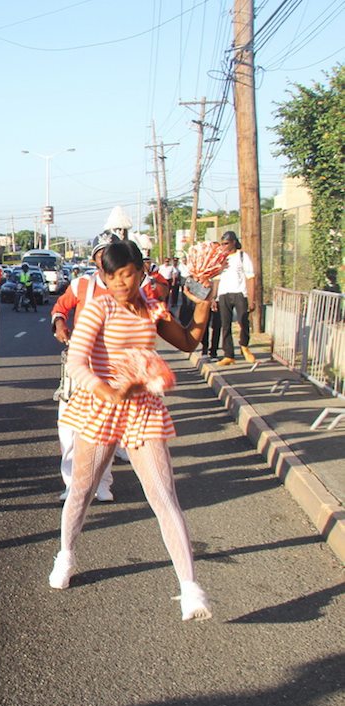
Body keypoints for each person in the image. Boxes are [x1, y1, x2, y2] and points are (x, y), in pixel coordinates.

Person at [50, 239, 215, 622]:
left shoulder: (153, 307)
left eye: (128, 274)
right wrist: (109, 391)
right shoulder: (98, 307)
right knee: (82, 489)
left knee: (163, 495)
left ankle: (190, 588)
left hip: (143, 408)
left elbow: (189, 342)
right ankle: (67, 554)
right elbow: (77, 362)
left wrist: (203, 300)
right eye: (114, 276)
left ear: (140, 271)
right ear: (104, 277)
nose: (122, 282)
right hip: (100, 404)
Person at [51, 235, 117, 503]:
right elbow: (59, 308)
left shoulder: (126, 286)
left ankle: (102, 482)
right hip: (79, 364)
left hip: (111, 367)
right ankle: (72, 483)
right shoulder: (81, 284)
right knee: (68, 425)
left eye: (109, 252)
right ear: (94, 258)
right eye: (101, 253)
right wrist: (59, 324)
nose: (104, 258)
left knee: (104, 427)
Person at [214, 232, 257, 366]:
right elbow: (216, 279)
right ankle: (228, 355)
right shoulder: (220, 259)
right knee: (225, 325)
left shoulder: (242, 256)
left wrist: (252, 298)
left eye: (226, 243)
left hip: (239, 292)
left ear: (233, 242)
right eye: (222, 244)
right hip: (223, 293)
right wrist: (213, 298)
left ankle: (244, 346)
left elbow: (250, 277)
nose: (224, 246)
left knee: (243, 321)